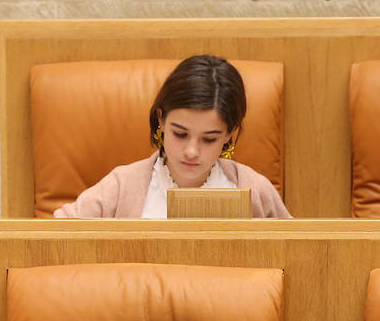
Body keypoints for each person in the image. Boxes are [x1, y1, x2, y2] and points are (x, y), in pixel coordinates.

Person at [54, 54, 290, 219]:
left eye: (209, 139)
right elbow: (55, 233)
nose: (191, 151)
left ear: (229, 133)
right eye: (180, 133)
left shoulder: (254, 189)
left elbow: (294, 253)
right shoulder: (123, 185)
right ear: (161, 119)